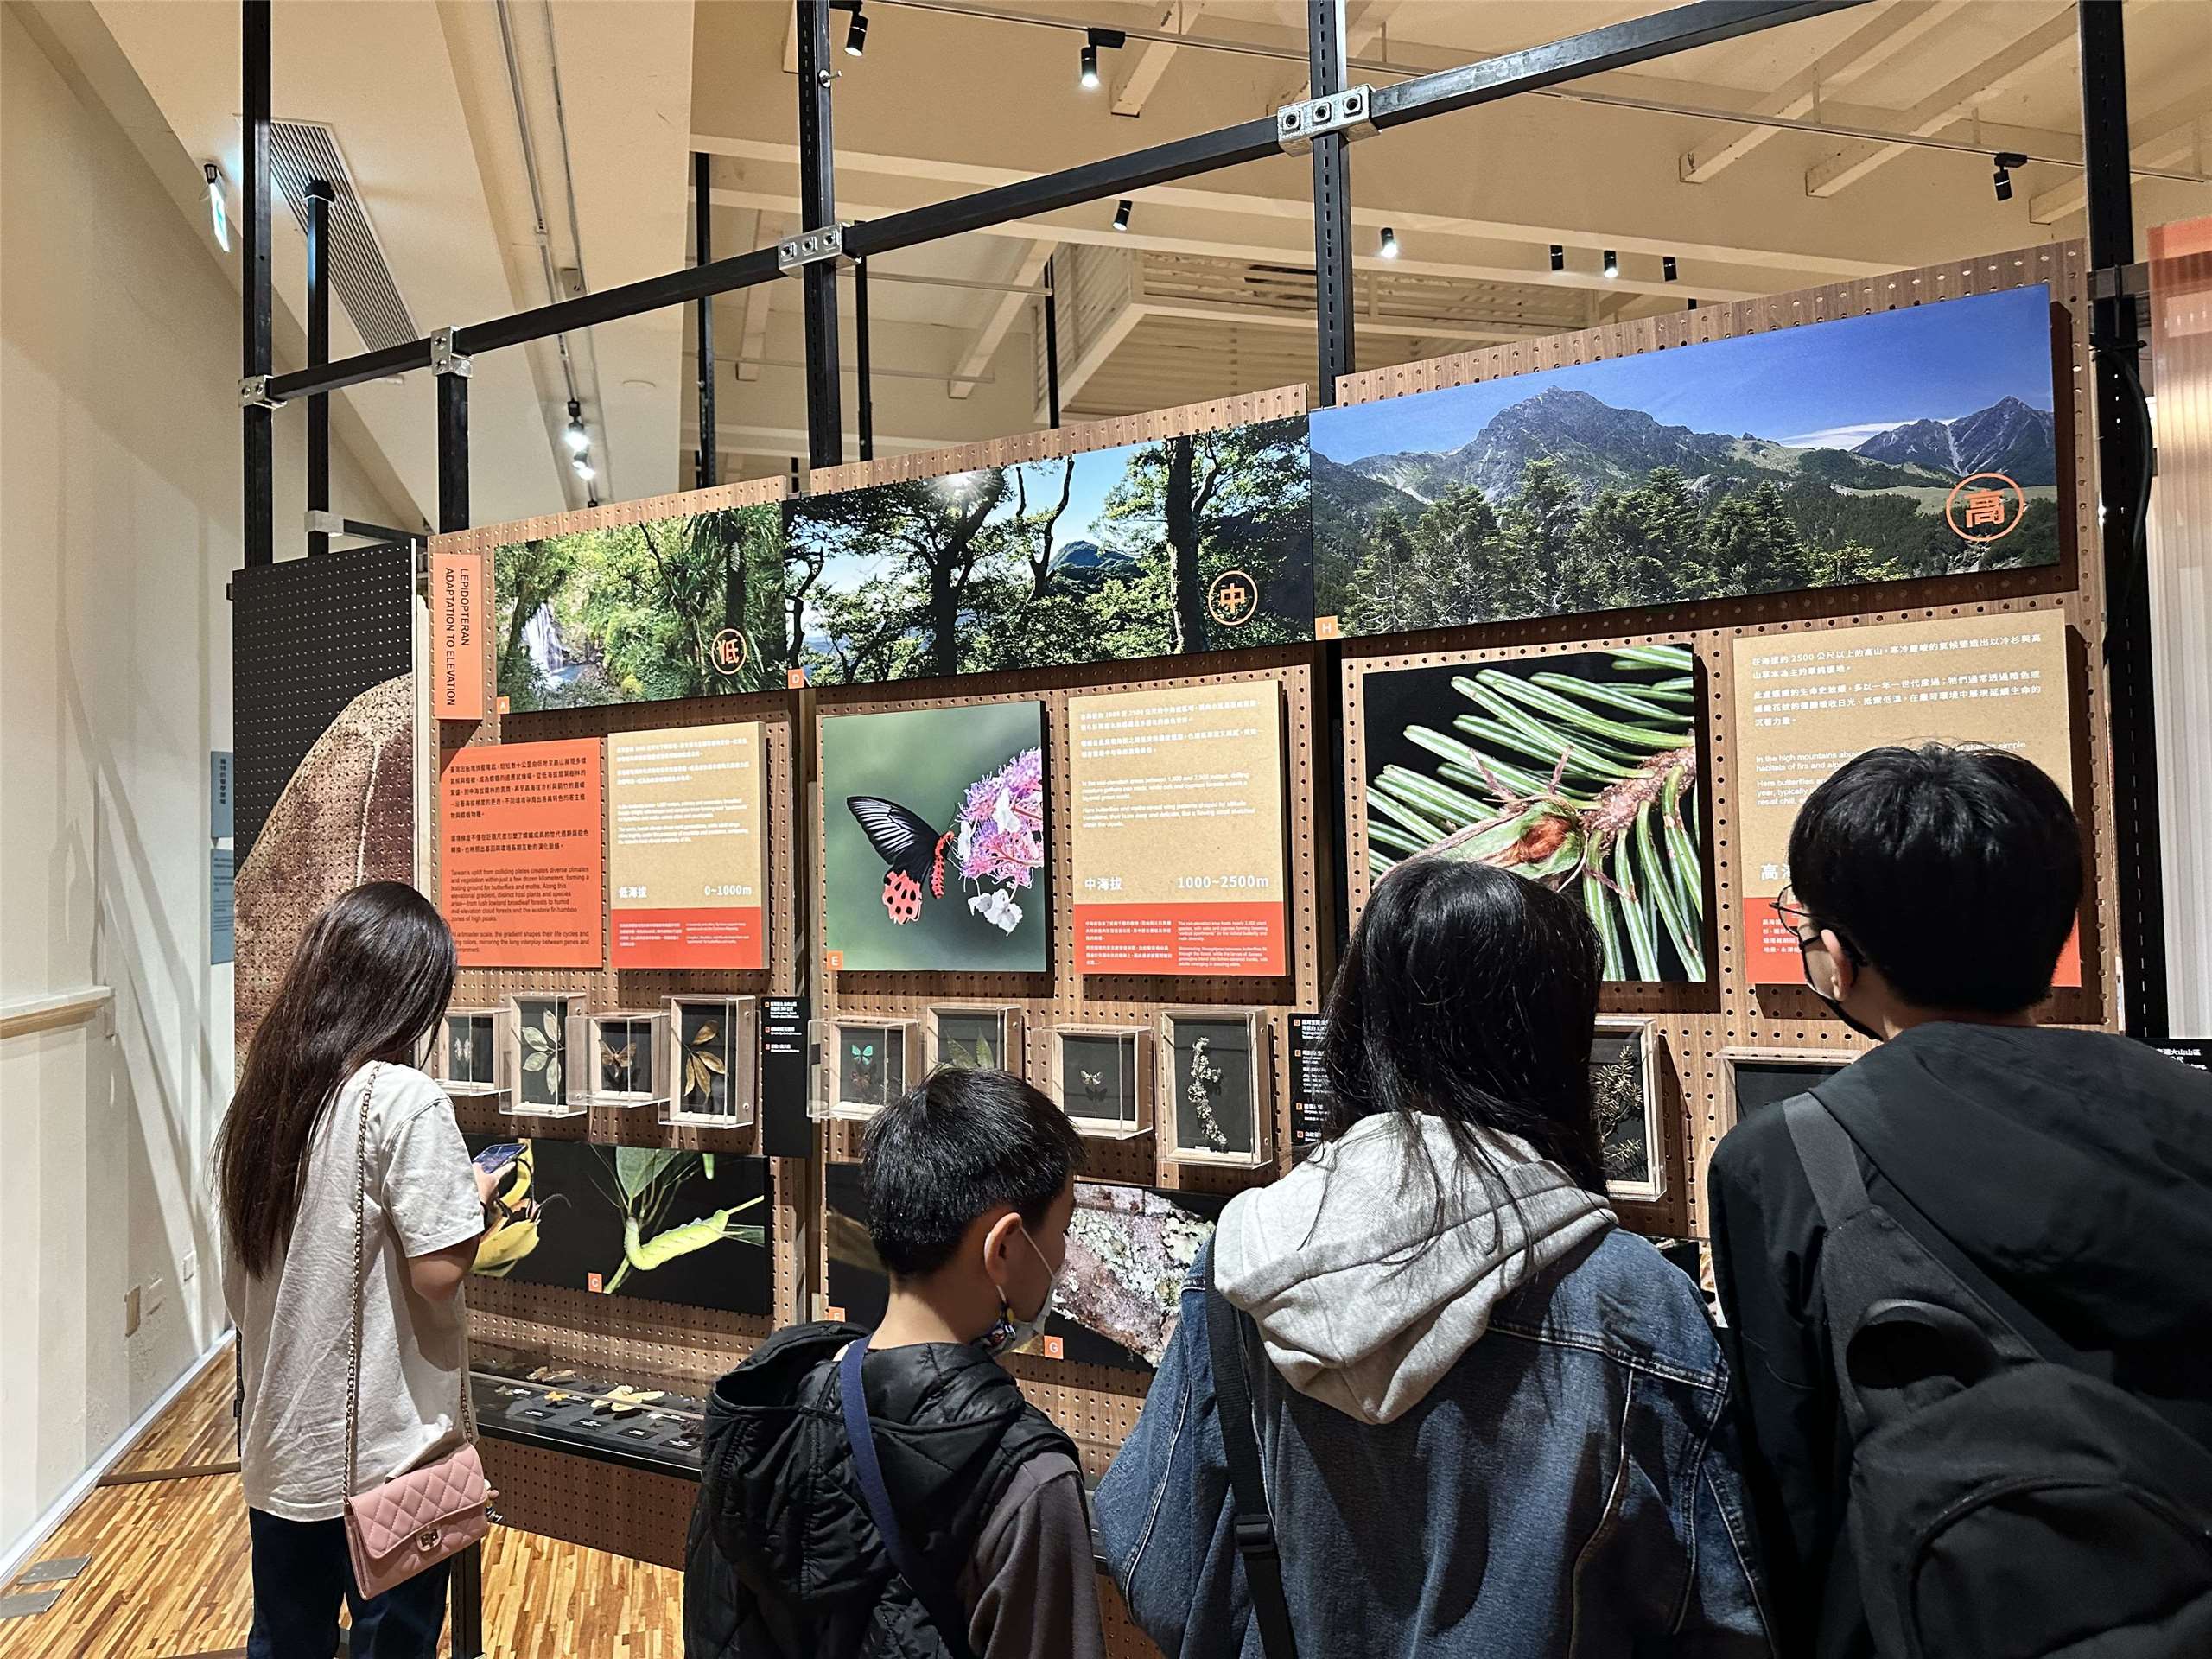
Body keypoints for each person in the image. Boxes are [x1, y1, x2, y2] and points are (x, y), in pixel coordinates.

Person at [1096, 857, 1771, 1657]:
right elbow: (1725, 1618)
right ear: (1554, 1044)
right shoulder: (1628, 1300)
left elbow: (1156, 1566)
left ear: (1358, 1024)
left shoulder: (1243, 1258)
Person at [1709, 744, 2212, 1657]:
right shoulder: (2191, 1109)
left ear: (1837, 953)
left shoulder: (1786, 1157)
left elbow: (1791, 1492)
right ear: (2056, 925)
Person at [683, 1068, 1106, 1659]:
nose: (1063, 1256)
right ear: (1004, 1248)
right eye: (1062, 1230)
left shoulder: (768, 1407)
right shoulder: (1029, 1479)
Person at [216, 881, 494, 1659]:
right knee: (392, 1645)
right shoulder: (405, 1099)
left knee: (285, 1639)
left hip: (278, 1447)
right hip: (385, 1455)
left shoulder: (264, 1099)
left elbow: (238, 1290)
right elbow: (439, 1273)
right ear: (408, 993)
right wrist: (474, 1202)